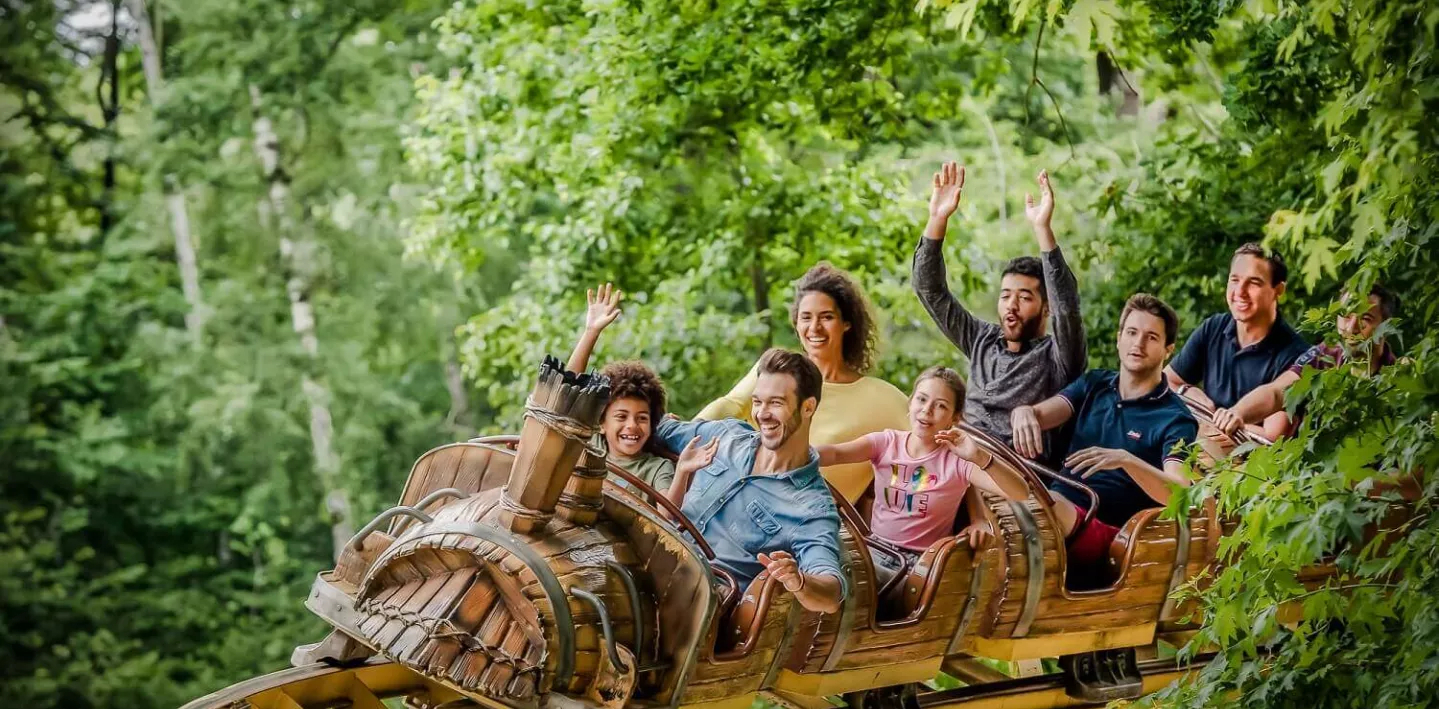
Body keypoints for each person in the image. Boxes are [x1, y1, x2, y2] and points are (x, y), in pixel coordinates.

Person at [1009, 294, 1198, 571]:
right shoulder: (1095, 384)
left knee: (1038, 509)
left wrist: (1126, 460)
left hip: (1110, 535)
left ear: (1168, 349)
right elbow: (1041, 413)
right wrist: (1023, 412)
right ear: (1119, 337)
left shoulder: (1176, 418)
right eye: (1132, 333)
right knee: (988, 489)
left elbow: (1180, 494)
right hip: (1058, 507)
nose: (1138, 343)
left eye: (1151, 337)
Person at [913, 161, 1087, 455]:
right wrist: (937, 219)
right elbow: (929, 290)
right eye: (1006, 295)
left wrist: (1042, 229)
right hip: (957, 460)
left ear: (1046, 308)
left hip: (1015, 478)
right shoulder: (981, 338)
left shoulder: (1058, 357)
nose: (1012, 306)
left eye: (1025, 297)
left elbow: (1067, 308)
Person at [696, 264, 910, 503]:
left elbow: (929, 441)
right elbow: (730, 405)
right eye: (806, 318)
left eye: (827, 317)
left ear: (846, 323)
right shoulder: (776, 371)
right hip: (742, 498)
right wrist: (690, 430)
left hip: (811, 525)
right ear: (796, 324)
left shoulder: (882, 399)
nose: (814, 327)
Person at [656, 349, 847, 614]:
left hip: (700, 602)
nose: (762, 414)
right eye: (758, 402)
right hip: (651, 555)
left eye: (776, 403)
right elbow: (658, 429)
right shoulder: (725, 435)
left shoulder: (812, 508)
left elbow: (830, 594)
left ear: (808, 407)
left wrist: (799, 581)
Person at [813, 366, 1031, 578]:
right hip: (875, 549)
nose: (927, 410)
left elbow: (1020, 492)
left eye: (941, 406)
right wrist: (791, 455)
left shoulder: (957, 461)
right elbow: (835, 454)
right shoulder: (886, 442)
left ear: (955, 418)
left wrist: (980, 456)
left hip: (918, 566)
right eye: (922, 399)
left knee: (844, 571)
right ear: (910, 402)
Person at [1165, 243, 1309, 449]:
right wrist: (1186, 389)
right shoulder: (1214, 328)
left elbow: (1273, 437)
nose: (1240, 292)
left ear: (1278, 290)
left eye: (1253, 283)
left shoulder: (1296, 355)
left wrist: (1211, 419)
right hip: (1201, 451)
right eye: (1234, 280)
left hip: (1255, 471)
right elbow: (1164, 380)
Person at [1211, 284, 1400, 440]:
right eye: (1346, 315)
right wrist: (1237, 412)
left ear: (1386, 327)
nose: (1351, 327)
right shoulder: (1324, 356)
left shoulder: (1398, 381)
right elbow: (1277, 392)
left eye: (1365, 319)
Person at [565, 283, 675, 492]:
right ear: (602, 424)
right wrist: (591, 332)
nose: (632, 425)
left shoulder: (656, 468)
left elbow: (667, 516)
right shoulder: (593, 448)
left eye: (642, 418)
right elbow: (567, 392)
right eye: (621, 416)